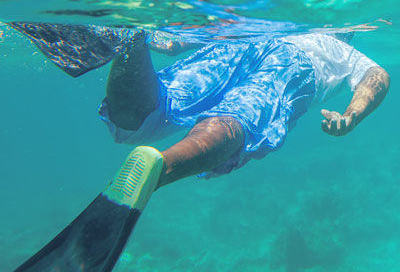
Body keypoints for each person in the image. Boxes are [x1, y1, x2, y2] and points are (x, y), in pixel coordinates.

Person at [97, 28, 390, 189]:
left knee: (147, 116)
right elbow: (378, 77)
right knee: (241, 118)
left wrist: (173, 39)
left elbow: (204, 34)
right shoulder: (347, 52)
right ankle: (159, 169)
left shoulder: (285, 18)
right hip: (292, 64)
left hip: (249, 40)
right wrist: (352, 115)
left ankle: (129, 39)